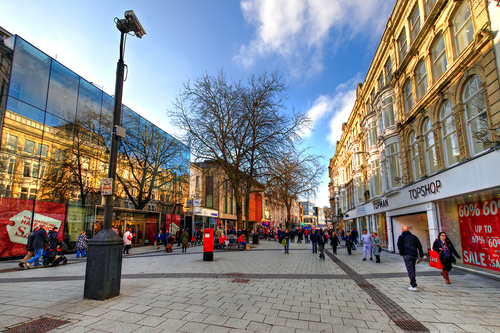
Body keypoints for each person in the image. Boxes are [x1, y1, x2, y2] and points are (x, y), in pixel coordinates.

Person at [397, 226, 424, 291]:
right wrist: (421, 254)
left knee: (410, 269)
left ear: (402, 230)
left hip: (406, 254)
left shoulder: (401, 237)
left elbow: (399, 245)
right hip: (414, 254)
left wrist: (401, 253)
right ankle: (413, 283)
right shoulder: (414, 237)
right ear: (408, 230)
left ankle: (413, 285)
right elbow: (419, 246)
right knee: (412, 268)